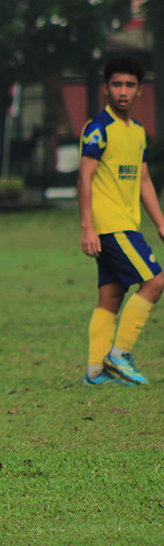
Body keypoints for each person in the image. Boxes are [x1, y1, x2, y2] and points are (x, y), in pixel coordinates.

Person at [78, 56, 164, 386]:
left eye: (129, 85)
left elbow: (143, 180)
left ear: (140, 91)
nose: (123, 91)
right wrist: (87, 227)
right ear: (105, 89)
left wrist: (159, 222)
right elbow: (84, 178)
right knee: (155, 282)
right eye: (116, 85)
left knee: (111, 296)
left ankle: (96, 372)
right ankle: (118, 355)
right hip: (111, 225)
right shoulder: (98, 129)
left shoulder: (138, 132)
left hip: (128, 223)